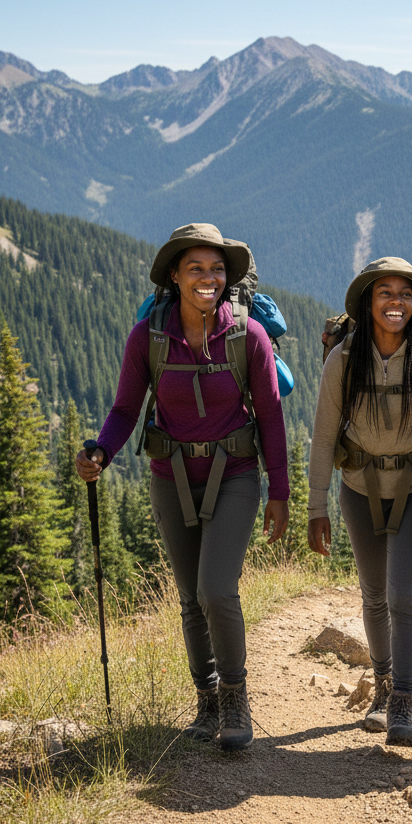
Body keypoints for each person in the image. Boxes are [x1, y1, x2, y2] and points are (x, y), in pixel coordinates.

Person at [76, 223, 289, 751]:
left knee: (216, 589)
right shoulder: (149, 336)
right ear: (174, 275)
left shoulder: (249, 336)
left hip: (235, 473)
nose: (208, 278)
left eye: (217, 269)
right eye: (196, 268)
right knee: (189, 598)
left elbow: (270, 416)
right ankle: (207, 700)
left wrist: (280, 493)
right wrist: (102, 450)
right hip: (170, 477)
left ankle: (237, 700)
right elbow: (126, 408)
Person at [307, 258, 412, 747]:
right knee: (374, 595)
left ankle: (403, 698)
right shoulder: (344, 359)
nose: (395, 301)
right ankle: (380, 685)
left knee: (403, 596)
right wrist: (317, 507)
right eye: (385, 293)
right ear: (368, 302)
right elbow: (322, 436)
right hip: (359, 488)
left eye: (404, 294)